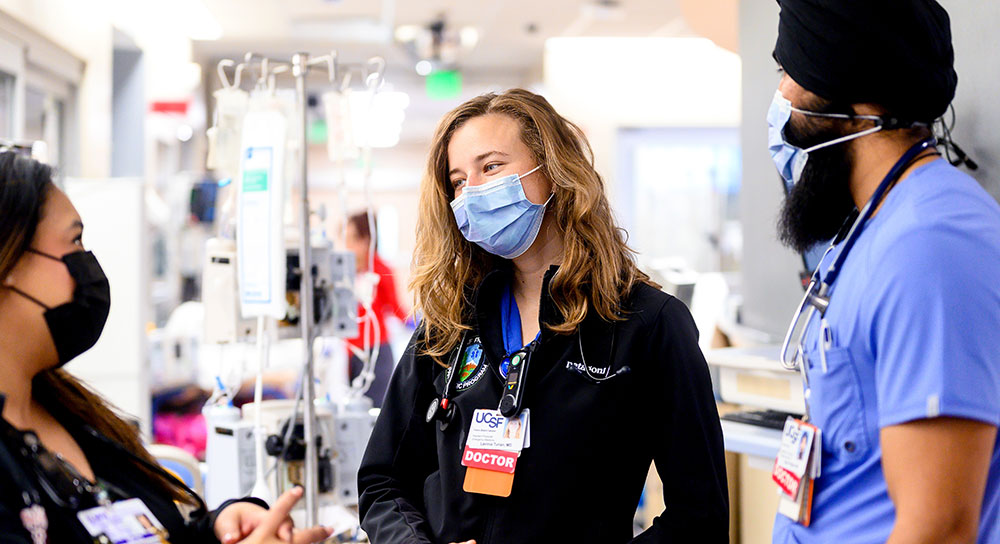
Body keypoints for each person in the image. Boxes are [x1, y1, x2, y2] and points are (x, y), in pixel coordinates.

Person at [357, 88, 728, 543]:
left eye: (491, 166)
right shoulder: (449, 325)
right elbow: (382, 482)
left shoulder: (646, 323)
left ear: (553, 169)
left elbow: (700, 515)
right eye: (458, 181)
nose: (472, 192)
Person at [0, 151, 333, 544]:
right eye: (74, 241)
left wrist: (218, 529)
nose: (88, 264)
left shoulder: (73, 417)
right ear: (9, 264)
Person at [768, 1, 1000, 542]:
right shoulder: (874, 229)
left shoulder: (931, 244)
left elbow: (939, 527)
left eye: (787, 72)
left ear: (848, 92)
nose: (781, 98)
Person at [342, 210, 409, 408]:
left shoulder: (380, 270)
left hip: (376, 353)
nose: (348, 245)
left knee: (374, 410)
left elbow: (397, 309)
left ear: (366, 240)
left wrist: (416, 323)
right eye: (346, 239)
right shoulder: (344, 272)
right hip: (350, 353)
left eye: (353, 239)